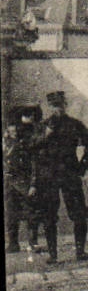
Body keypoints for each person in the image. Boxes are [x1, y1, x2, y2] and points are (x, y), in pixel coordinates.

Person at [32, 90, 88, 262]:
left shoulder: (75, 124)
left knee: (79, 213)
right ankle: (53, 255)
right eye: (54, 106)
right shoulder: (43, 126)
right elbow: (32, 148)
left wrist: (82, 167)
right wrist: (46, 134)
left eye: (60, 105)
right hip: (49, 177)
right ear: (49, 107)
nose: (58, 109)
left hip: (70, 174)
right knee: (49, 215)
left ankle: (80, 252)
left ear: (65, 105)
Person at [5, 106, 41, 255]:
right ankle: (13, 243)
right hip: (9, 182)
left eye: (15, 131)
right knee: (10, 213)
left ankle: (33, 243)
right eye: (10, 131)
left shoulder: (25, 144)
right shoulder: (6, 144)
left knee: (31, 212)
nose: (12, 133)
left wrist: (33, 184)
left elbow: (34, 164)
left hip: (24, 181)